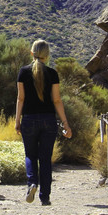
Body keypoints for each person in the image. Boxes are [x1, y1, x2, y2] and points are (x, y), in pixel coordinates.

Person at [15, 38, 71, 205]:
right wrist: (65, 123)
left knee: (30, 155)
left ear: (32, 53)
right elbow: (57, 101)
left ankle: (32, 183)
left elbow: (20, 98)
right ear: (47, 56)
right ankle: (45, 198)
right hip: (48, 120)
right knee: (45, 159)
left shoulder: (23, 72)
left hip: (29, 120)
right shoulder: (52, 73)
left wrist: (17, 120)